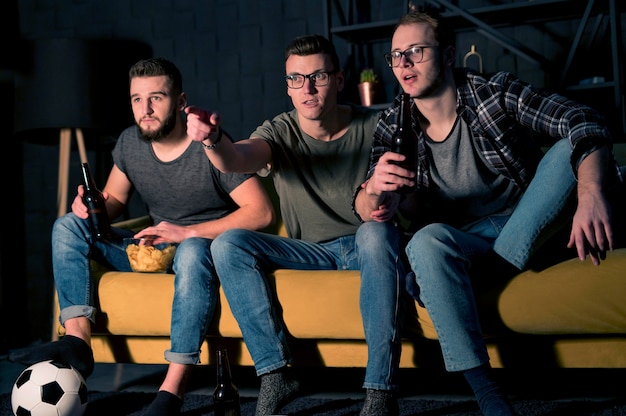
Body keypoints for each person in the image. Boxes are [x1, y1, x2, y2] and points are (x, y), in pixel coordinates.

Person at [354, 8, 623, 416]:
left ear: (447, 55)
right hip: (469, 238)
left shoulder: (491, 92)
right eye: (395, 55)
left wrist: (590, 193)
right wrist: (375, 191)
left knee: (568, 148)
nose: (403, 63)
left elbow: (582, 119)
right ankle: (489, 397)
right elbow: (364, 207)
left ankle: (481, 276)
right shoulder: (394, 122)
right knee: (426, 241)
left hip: (531, 220)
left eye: (416, 51)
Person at [9, 57, 275, 416]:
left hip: (198, 252)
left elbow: (261, 212)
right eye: (137, 99)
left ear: (180, 102)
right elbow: (115, 200)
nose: (145, 109)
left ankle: (172, 389)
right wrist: (91, 206)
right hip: (148, 249)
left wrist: (187, 232)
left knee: (193, 250)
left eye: (157, 97)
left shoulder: (210, 146)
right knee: (67, 224)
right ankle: (77, 342)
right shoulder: (131, 143)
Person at [185, 34, 405, 416]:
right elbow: (238, 158)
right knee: (228, 244)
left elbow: (396, 195)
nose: (307, 88)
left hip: (366, 244)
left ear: (338, 79)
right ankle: (275, 373)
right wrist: (214, 140)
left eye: (318, 76)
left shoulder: (375, 126)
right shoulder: (280, 131)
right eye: (295, 79)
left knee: (374, 232)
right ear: (287, 87)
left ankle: (380, 392)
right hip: (309, 252)